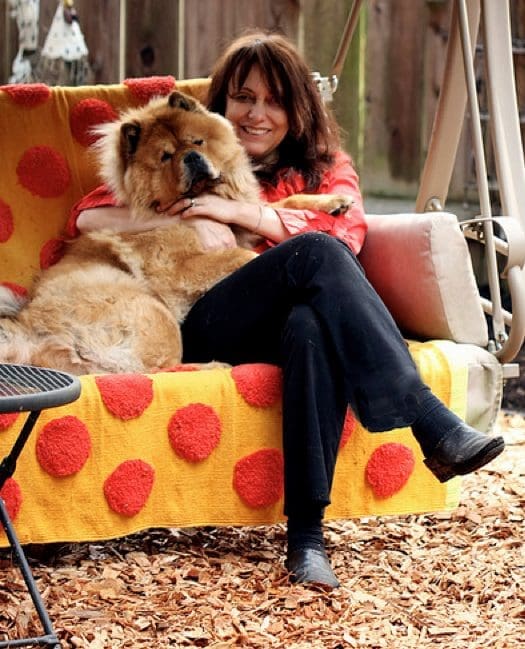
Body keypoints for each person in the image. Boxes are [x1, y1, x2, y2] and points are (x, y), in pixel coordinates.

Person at [71, 31, 505, 589]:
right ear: (220, 103)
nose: (256, 113)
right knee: (312, 257)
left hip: (285, 324)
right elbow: (87, 217)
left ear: (298, 107)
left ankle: (306, 538)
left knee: (308, 323)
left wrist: (241, 215)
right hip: (207, 319)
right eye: (243, 97)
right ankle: (427, 419)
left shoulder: (326, 171)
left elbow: (343, 240)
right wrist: (183, 216)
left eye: (274, 100)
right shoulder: (188, 148)